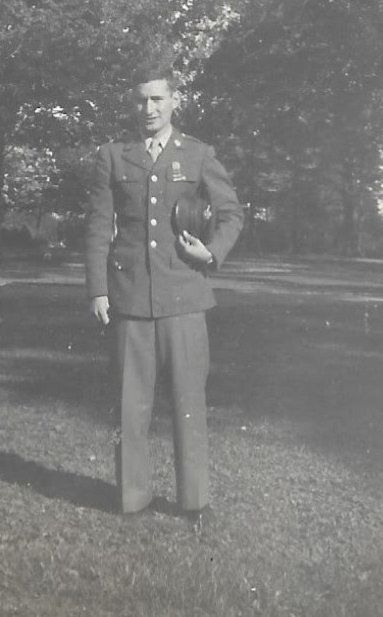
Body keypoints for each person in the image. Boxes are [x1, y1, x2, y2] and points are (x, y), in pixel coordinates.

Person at [84, 65, 242, 531]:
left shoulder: (198, 154)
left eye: (157, 99)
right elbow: (97, 227)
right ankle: (132, 499)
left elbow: (232, 214)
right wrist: (97, 288)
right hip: (129, 297)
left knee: (188, 399)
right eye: (139, 100)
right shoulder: (113, 156)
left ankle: (194, 500)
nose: (148, 109)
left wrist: (211, 252)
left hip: (186, 297)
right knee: (131, 403)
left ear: (175, 101)